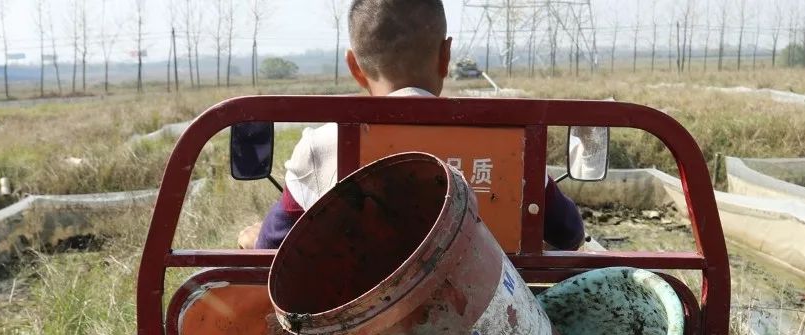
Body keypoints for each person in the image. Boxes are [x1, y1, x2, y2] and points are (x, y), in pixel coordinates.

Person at [241, 0, 586, 252]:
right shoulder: (513, 144)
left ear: (354, 66)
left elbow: (272, 246)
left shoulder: (322, 146)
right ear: (446, 56)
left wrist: (251, 236)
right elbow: (569, 233)